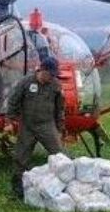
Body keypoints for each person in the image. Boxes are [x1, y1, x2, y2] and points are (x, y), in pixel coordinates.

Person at [6, 59, 66, 198]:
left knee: (60, 155)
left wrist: (60, 126)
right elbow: (13, 101)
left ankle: (63, 185)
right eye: (50, 74)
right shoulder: (25, 82)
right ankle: (18, 188)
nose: (52, 77)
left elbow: (60, 108)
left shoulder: (55, 85)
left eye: (54, 75)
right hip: (28, 126)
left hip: (47, 125)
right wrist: (9, 121)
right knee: (21, 158)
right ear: (42, 70)